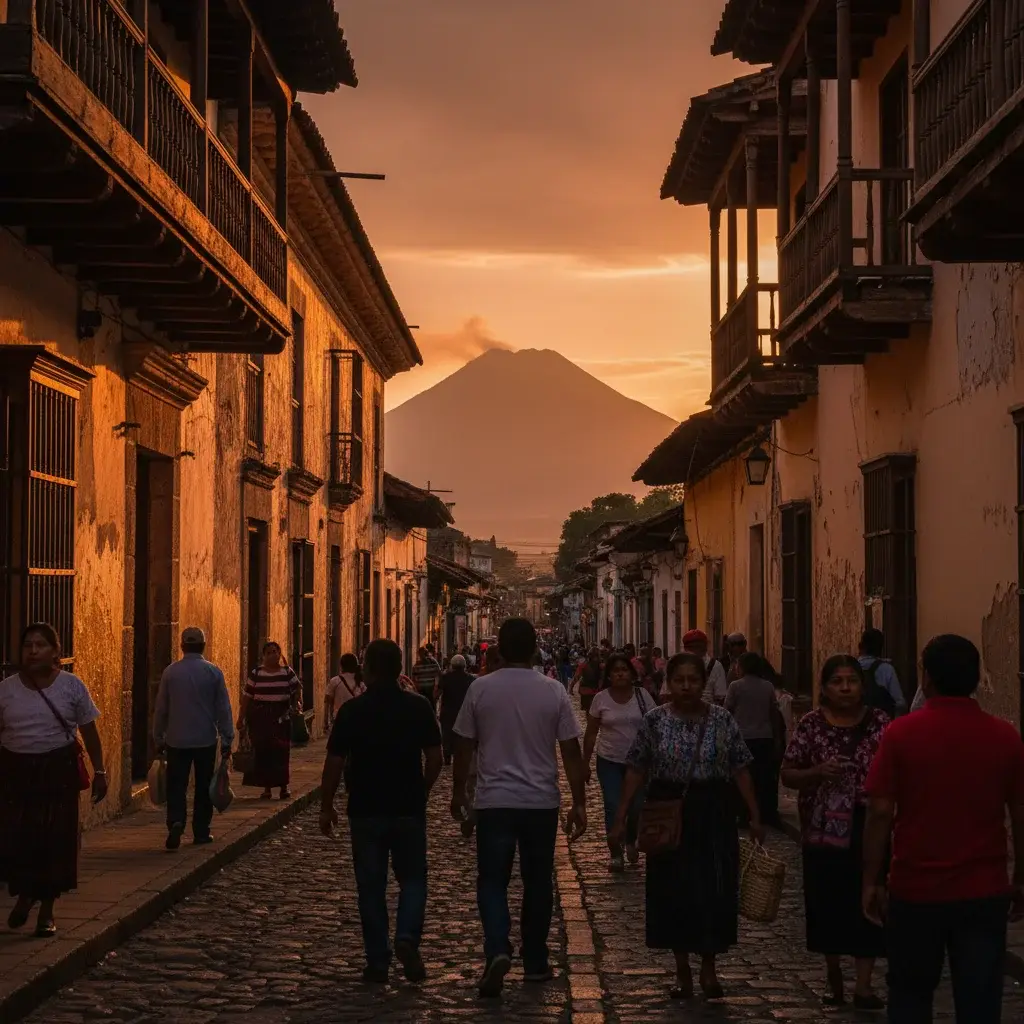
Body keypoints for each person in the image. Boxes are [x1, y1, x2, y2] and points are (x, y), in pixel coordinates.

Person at [863, 634, 1024, 1023]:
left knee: (910, 995)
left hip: (916, 888)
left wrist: (871, 879)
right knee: (980, 998)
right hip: (983, 890)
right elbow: (1020, 812)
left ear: (927, 678)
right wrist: (1020, 877)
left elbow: (881, 811)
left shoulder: (901, 735)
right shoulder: (1005, 737)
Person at [613, 653, 762, 1000]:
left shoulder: (722, 721)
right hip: (667, 811)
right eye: (678, 680)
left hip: (713, 811)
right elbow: (636, 767)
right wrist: (620, 816)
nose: (685, 687)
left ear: (703, 684)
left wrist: (755, 815)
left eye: (693, 680)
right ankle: (682, 967)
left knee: (714, 888)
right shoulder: (654, 721)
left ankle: (709, 966)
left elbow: (740, 768)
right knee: (673, 890)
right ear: (669, 683)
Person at [451, 617, 586, 998]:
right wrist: (579, 802)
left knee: (492, 880)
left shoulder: (480, 690)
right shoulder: (554, 691)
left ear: (499, 651)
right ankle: (536, 961)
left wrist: (459, 792)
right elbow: (571, 751)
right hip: (540, 802)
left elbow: (463, 745)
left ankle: (497, 947)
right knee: (538, 882)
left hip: (494, 802)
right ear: (533, 650)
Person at [319, 639, 442, 985]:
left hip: (366, 810)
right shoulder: (418, 707)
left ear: (368, 670)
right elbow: (435, 757)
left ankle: (377, 961)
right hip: (407, 808)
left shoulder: (353, 712)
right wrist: (423, 790)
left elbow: (334, 762)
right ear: (400, 669)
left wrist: (327, 806)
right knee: (414, 880)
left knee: (370, 888)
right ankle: (406, 937)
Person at [781, 654, 888, 1010]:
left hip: (867, 823)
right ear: (824, 688)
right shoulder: (811, 724)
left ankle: (864, 984)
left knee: (868, 896)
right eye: (837, 681)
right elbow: (788, 773)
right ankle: (833, 975)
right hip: (822, 827)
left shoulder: (880, 724)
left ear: (862, 686)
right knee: (827, 901)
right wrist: (817, 773)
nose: (845, 687)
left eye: (852, 681)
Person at [0, 623, 107, 937]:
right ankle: (25, 894)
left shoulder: (71, 687)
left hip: (57, 771)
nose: (33, 651)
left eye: (41, 645)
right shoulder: (6, 689)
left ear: (55, 652)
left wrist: (99, 771)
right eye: (28, 645)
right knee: (19, 838)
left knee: (54, 841)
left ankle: (46, 909)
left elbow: (89, 731)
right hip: (16, 771)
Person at [152, 627, 235, 850]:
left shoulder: (171, 672)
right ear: (203, 646)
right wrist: (228, 738)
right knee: (203, 786)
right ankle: (201, 830)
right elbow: (223, 708)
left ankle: (176, 821)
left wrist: (158, 736)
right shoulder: (213, 672)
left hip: (176, 739)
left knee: (176, 785)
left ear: (182, 646)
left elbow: (161, 708)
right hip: (205, 739)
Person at [582, 652, 657, 871]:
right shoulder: (601, 699)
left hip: (638, 762)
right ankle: (615, 852)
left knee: (635, 807)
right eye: (616, 671)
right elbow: (590, 733)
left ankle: (631, 838)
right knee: (613, 806)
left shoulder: (642, 696)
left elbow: (655, 725)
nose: (620, 674)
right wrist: (585, 763)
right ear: (609, 676)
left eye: (624, 669)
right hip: (609, 760)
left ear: (631, 674)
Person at [725, 652, 784, 827]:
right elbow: (773, 714)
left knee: (742, 778)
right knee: (764, 778)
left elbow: (727, 711)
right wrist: (778, 739)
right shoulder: (767, 687)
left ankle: (743, 814)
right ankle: (766, 813)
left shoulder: (735, 686)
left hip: (741, 738)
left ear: (741, 667)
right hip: (764, 737)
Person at [237, 641, 301, 800]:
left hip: (281, 717)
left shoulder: (287, 672)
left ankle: (283, 787)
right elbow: (247, 697)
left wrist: (296, 704)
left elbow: (297, 688)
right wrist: (241, 718)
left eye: (275, 651)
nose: (273, 655)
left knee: (281, 752)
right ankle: (266, 788)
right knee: (263, 752)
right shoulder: (256, 673)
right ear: (263, 656)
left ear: (280, 654)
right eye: (269, 652)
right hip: (261, 717)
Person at [660, 629, 727, 705]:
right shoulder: (675, 664)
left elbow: (720, 697)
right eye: (691, 647)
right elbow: (664, 694)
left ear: (705, 647)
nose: (695, 650)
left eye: (698, 646)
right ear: (685, 648)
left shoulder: (715, 666)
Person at [857, 628, 905, 716]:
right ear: (881, 649)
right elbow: (900, 703)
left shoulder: (852, 668)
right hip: (882, 722)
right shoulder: (887, 669)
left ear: (860, 646)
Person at [438, 654, 475, 766]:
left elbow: (437, 693)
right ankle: (461, 757)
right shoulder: (471, 679)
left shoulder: (445, 677)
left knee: (447, 735)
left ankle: (447, 757)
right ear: (464, 666)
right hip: (464, 712)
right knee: (462, 736)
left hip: (448, 711)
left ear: (452, 665)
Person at [325, 652, 364, 731]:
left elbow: (327, 702)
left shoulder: (335, 681)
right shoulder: (361, 682)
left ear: (341, 666)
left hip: (340, 720)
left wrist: (326, 722)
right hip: (358, 720)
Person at [572, 647, 603, 713]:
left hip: (588, 691)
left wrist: (571, 687)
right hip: (592, 691)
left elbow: (576, 677)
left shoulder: (584, 665)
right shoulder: (601, 666)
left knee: (589, 711)